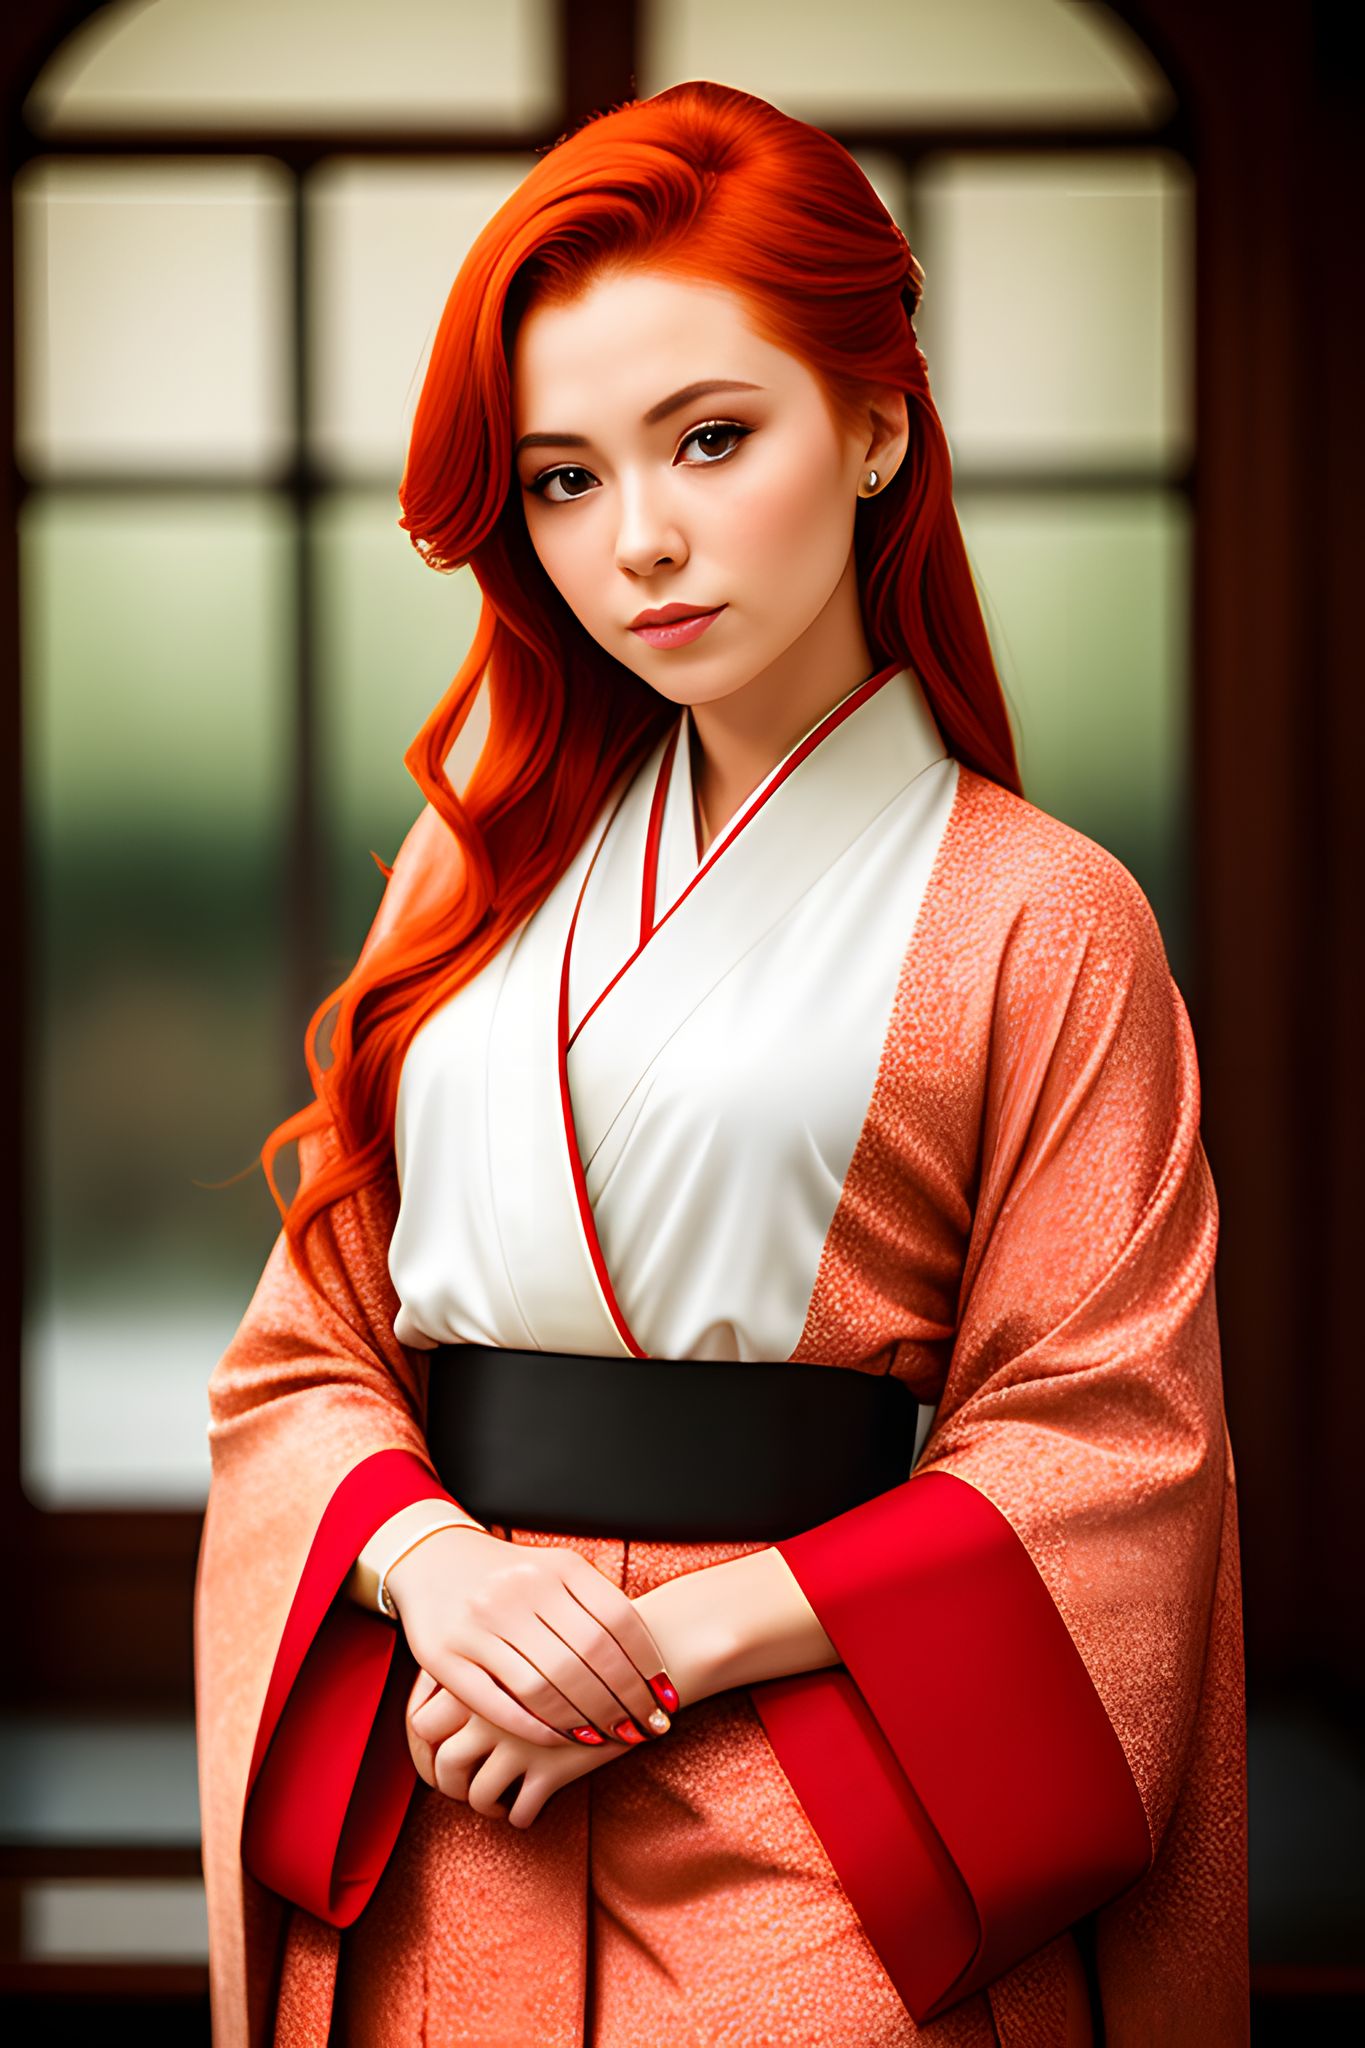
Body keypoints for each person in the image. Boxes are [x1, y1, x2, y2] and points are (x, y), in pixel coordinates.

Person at [193, 79, 1248, 2048]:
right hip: (453, 1753)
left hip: (827, 1780)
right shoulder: (475, 865)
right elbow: (306, 1339)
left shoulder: (1041, 914)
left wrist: (652, 1649)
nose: (641, 541)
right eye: (564, 479)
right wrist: (435, 1570)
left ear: (871, 422)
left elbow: (1101, 1446)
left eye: (707, 436)